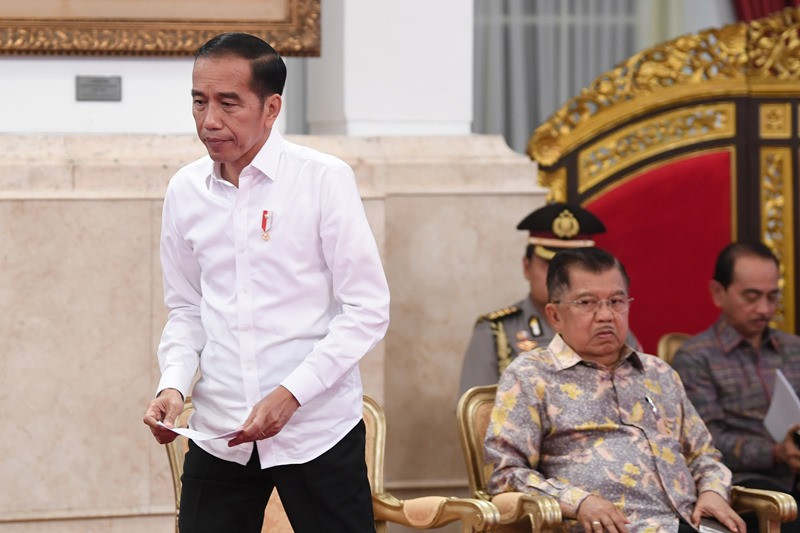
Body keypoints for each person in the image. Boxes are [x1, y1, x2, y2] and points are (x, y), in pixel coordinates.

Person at [141, 33, 390, 533]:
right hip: (220, 429)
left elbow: (366, 308)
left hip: (316, 428)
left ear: (271, 107)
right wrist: (172, 384)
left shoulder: (323, 179)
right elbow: (187, 310)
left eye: (228, 104)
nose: (209, 120)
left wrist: (290, 395)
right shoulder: (185, 190)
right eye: (199, 101)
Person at [484, 247, 745, 533]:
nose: (606, 315)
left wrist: (713, 492)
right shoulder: (531, 375)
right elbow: (505, 474)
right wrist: (578, 502)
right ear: (555, 315)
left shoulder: (658, 373)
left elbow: (703, 454)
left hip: (693, 524)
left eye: (616, 301)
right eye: (587, 303)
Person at [673, 241, 800, 533]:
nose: (764, 309)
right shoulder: (696, 357)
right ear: (719, 293)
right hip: (744, 483)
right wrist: (776, 453)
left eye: (772, 297)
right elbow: (706, 441)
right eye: (752, 297)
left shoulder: (793, 349)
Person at [458, 203, 607, 395]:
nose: (560, 278)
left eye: (571, 268)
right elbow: (477, 415)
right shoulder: (495, 332)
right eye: (549, 266)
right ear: (527, 267)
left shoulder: (607, 325)